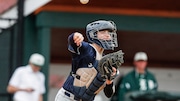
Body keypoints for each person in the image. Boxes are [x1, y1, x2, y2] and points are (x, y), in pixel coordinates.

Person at [54, 20, 119, 101]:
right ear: (93, 34)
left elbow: (109, 94)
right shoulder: (87, 49)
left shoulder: (106, 61)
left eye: (108, 32)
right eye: (103, 32)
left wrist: (110, 80)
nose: (107, 35)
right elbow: (73, 43)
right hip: (68, 98)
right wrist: (75, 36)